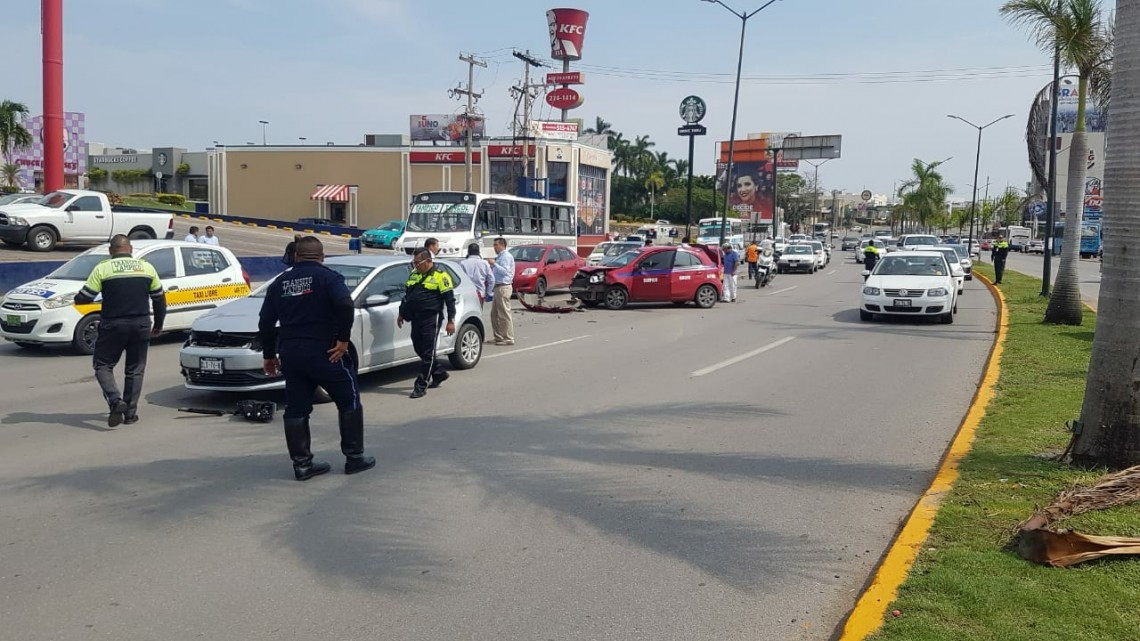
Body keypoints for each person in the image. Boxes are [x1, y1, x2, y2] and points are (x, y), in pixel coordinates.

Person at [257, 236, 375, 481]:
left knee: (297, 408)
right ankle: (354, 458)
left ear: (296, 256)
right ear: (321, 256)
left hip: (291, 353)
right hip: (326, 351)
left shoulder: (279, 283)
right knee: (349, 400)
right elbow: (344, 303)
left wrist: (269, 354)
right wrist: (343, 339)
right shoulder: (329, 278)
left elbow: (265, 321)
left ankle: (302, 465)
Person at [74, 234, 166, 427]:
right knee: (135, 370)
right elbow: (159, 299)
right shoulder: (146, 267)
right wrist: (158, 324)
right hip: (141, 325)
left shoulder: (103, 268)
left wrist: (80, 299)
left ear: (110, 251)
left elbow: (84, 297)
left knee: (103, 366)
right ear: (130, 249)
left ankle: (116, 401)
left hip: (113, 325)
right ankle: (130, 414)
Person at [397, 248, 457, 399]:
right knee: (419, 347)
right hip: (415, 317)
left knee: (428, 352)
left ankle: (421, 385)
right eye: (414, 262)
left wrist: (451, 321)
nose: (415, 265)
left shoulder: (441, 277)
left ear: (428, 261)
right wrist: (401, 313)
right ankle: (439, 373)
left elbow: (450, 300)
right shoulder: (414, 275)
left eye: (418, 262)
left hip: (432, 317)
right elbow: (407, 297)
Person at [490, 237, 515, 345]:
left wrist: (494, 264)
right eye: (494, 245)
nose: (494, 247)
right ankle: (499, 337)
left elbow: (506, 272)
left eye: (496, 245)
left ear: (502, 245)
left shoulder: (506, 257)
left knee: (504, 314)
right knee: (494, 314)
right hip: (497, 287)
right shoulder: (499, 257)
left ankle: (508, 338)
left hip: (503, 287)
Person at [459, 242, 494, 308]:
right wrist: (489, 292)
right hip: (480, 293)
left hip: (467, 293)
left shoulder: (463, 263)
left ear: (468, 251)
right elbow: (492, 280)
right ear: (478, 252)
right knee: (479, 313)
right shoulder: (484, 263)